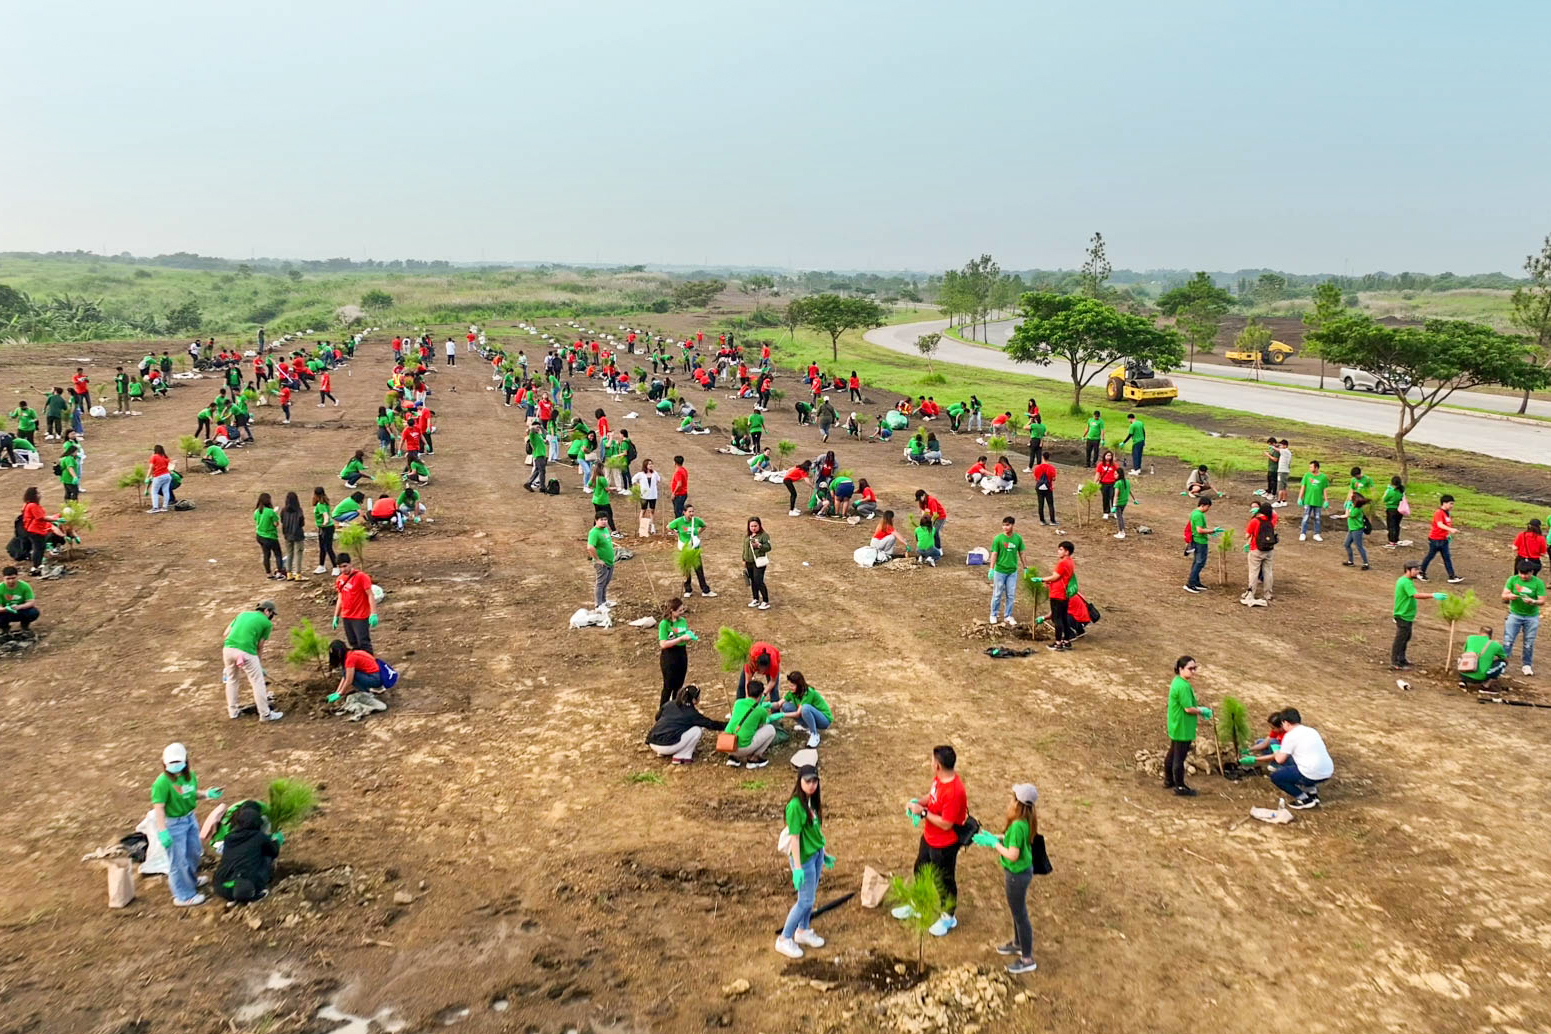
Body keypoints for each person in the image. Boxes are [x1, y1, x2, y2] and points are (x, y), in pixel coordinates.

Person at [894, 745, 968, 938]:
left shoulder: (954, 792)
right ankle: (918, 903)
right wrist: (919, 802)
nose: (930, 763)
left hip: (944, 845)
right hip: (929, 838)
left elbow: (946, 824)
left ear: (938, 766)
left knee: (943, 880)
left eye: (932, 761)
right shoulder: (940, 779)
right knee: (920, 868)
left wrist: (924, 813)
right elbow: (932, 795)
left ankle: (948, 916)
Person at [973, 783, 1040, 975]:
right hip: (1020, 873)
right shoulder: (1023, 821)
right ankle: (1018, 943)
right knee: (1016, 910)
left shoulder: (1018, 825)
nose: (1010, 802)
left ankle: (1027, 959)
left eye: (1013, 799)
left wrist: (994, 844)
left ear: (1018, 804)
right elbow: (1012, 840)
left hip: (1016, 876)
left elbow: (1012, 854)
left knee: (1020, 915)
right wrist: (994, 837)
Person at [151, 743, 222, 907]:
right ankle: (183, 895)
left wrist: (207, 794)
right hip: (173, 823)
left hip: (189, 819)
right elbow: (159, 808)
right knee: (178, 860)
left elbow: (191, 792)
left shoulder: (189, 775)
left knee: (194, 851)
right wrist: (163, 831)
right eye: (171, 763)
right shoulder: (161, 783)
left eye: (178, 762)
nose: (175, 766)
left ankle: (190, 880)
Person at [775, 765, 834, 959]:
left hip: (815, 855)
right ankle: (784, 939)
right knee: (804, 900)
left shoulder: (811, 803)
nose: (811, 785)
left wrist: (823, 852)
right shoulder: (795, 806)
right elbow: (795, 838)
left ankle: (803, 930)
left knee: (811, 897)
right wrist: (797, 868)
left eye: (814, 781)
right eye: (807, 781)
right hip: (804, 860)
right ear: (799, 781)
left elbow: (815, 831)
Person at [1241, 708, 1333, 809]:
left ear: (1285, 722)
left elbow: (1280, 760)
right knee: (1301, 764)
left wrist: (1274, 749)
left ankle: (1304, 799)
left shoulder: (1290, 736)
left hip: (1311, 773)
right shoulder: (1311, 731)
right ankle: (1312, 793)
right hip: (1327, 771)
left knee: (1277, 777)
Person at [222, 600, 282, 721]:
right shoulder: (267, 624)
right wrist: (259, 665)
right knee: (257, 682)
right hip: (246, 652)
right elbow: (260, 646)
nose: (271, 617)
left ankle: (233, 712)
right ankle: (265, 714)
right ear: (266, 611)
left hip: (228, 649)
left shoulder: (242, 614)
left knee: (232, 679)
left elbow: (226, 633)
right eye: (271, 614)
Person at [213, 801, 282, 903]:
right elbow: (274, 852)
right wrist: (276, 841)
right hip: (246, 888)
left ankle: (234, 897)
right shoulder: (259, 837)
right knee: (267, 857)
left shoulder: (229, 837)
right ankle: (256, 892)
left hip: (221, 887)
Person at [1165, 656, 1212, 797]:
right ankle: (1180, 786)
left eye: (1194, 668)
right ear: (1180, 669)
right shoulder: (1183, 686)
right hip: (1183, 726)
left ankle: (1169, 780)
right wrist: (1201, 711)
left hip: (1176, 724)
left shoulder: (1177, 681)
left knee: (1173, 752)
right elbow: (1188, 709)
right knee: (1179, 757)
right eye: (1190, 669)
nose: (1193, 671)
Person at [647, 684, 723, 764]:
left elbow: (657, 718)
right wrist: (729, 725)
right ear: (694, 699)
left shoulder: (669, 704)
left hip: (653, 743)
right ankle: (681, 756)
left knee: (679, 727)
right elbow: (710, 724)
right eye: (699, 696)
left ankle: (662, 752)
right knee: (697, 730)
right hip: (667, 746)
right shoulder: (691, 714)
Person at [1391, 561, 1444, 670]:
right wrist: (1432, 595)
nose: (1418, 572)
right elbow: (1415, 595)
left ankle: (1402, 659)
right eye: (1415, 570)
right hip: (1403, 615)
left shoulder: (1406, 581)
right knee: (1401, 639)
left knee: (1406, 638)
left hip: (1407, 615)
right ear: (1408, 570)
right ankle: (1396, 662)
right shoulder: (1405, 582)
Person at [1030, 541, 1077, 651]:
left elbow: (1055, 577)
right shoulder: (1070, 562)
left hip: (1057, 594)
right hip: (1064, 594)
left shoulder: (1062, 563)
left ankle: (1058, 643)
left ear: (1067, 551)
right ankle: (1067, 641)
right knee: (1064, 618)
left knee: (1057, 619)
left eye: (1061, 549)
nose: (1058, 551)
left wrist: (1041, 579)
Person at [1502, 559, 1544, 676]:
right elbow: (1504, 595)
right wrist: (1509, 596)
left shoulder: (1538, 583)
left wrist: (1533, 601)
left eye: (1526, 574)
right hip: (1515, 614)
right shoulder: (1513, 580)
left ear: (1531, 572)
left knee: (1529, 642)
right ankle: (1502, 664)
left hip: (1531, 616)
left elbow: (1542, 601)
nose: (1523, 576)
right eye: (1521, 573)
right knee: (1508, 640)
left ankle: (1527, 665)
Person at [723, 680, 778, 767]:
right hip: (742, 748)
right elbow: (761, 726)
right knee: (770, 729)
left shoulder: (738, 703)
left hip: (726, 744)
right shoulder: (761, 710)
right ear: (760, 695)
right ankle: (754, 758)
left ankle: (733, 757)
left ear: (747, 692)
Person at [332, 553, 379, 651]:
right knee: (353, 643)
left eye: (345, 566)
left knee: (364, 643)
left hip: (360, 616)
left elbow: (370, 594)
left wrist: (373, 613)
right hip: (346, 616)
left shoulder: (362, 577)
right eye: (340, 567)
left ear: (350, 564)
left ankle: (370, 664)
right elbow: (340, 597)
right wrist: (336, 615)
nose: (343, 569)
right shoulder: (339, 580)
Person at [779, 671, 833, 748]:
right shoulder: (792, 692)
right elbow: (779, 704)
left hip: (824, 720)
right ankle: (806, 726)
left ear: (799, 685)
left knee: (805, 708)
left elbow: (798, 713)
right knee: (785, 706)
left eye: (793, 685)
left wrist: (781, 715)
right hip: (812, 716)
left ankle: (814, 734)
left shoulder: (808, 692)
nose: (790, 687)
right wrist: (765, 705)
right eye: (789, 684)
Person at [657, 598, 696, 705]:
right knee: (668, 685)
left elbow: (684, 633)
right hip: (669, 656)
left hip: (681, 654)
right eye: (679, 610)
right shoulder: (664, 624)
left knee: (679, 685)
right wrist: (680, 639)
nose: (682, 612)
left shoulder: (682, 621)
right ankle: (663, 710)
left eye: (682, 610)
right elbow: (663, 644)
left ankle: (676, 707)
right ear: (672, 611)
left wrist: (689, 636)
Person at [989, 516, 1025, 626]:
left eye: (1008, 525)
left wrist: (1025, 567)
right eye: (1004, 525)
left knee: (1011, 594)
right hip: (1000, 570)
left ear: (1013, 525)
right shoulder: (998, 539)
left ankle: (1008, 615)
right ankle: (993, 614)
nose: (1005, 527)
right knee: (997, 593)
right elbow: (994, 553)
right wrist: (991, 568)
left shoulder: (1018, 539)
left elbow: (1022, 552)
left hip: (1012, 571)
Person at [1420, 494, 1464, 583]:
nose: (1452, 506)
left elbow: (1445, 525)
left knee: (1447, 558)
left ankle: (1452, 576)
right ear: (1444, 503)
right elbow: (1440, 524)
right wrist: (1451, 530)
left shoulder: (1446, 513)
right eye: (1450, 503)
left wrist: (1448, 534)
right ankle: (1421, 572)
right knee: (1430, 556)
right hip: (1435, 539)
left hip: (1443, 540)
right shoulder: (1439, 513)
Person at [1243, 502, 1277, 607]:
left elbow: (1247, 535)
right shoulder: (1271, 521)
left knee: (1254, 572)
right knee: (1268, 572)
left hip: (1256, 549)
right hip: (1269, 550)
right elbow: (1275, 514)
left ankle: (1251, 593)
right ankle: (1268, 594)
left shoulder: (1255, 521)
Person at [1183, 497, 1220, 594]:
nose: (1208, 509)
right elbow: (1199, 530)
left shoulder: (1195, 513)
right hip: (1200, 541)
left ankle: (1196, 582)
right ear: (1203, 505)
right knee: (1200, 562)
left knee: (1197, 562)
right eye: (1208, 507)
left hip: (1198, 540)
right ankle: (1190, 584)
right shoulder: (1198, 515)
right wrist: (1212, 530)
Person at [1458, 626, 1508, 691]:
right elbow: (1504, 659)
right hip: (1479, 678)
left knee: (1464, 657)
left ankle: (1463, 681)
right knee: (1502, 663)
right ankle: (1485, 686)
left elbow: (1464, 651)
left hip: (1463, 673)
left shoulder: (1470, 638)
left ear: (1479, 632)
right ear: (1491, 635)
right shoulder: (1495, 645)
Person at [254, 493, 288, 580]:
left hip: (260, 535)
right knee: (277, 554)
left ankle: (268, 573)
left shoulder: (257, 511)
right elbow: (276, 524)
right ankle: (280, 571)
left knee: (266, 555)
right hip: (270, 536)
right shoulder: (270, 512)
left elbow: (257, 521)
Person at [586, 514, 615, 611]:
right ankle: (598, 604)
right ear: (596, 520)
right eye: (601, 519)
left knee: (606, 582)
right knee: (600, 583)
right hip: (601, 563)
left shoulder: (605, 530)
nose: (604, 521)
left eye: (605, 519)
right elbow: (590, 547)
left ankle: (604, 601)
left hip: (610, 561)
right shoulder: (594, 532)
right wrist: (597, 559)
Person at [744, 516, 772, 609]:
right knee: (752, 581)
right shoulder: (747, 536)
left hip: (759, 562)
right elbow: (745, 549)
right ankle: (755, 598)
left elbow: (768, 547)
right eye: (751, 526)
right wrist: (743, 559)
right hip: (749, 562)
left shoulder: (764, 535)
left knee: (758, 580)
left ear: (759, 525)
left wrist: (759, 545)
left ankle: (765, 600)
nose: (753, 528)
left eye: (755, 526)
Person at [1298, 461, 1330, 542]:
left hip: (1318, 501)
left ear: (1316, 468)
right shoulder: (1307, 475)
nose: (1310, 468)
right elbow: (1303, 487)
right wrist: (1300, 498)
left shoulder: (1323, 477)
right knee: (1306, 517)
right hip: (1308, 500)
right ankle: (1303, 533)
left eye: (1311, 467)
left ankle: (1316, 534)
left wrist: (1326, 500)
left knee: (1317, 518)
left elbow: (1325, 489)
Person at [0, 566, 39, 633]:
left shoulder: (25, 586)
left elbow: (31, 602)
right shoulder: (0, 588)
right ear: (3, 578)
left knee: (33, 612)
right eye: (8, 579)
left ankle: (24, 626)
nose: (11, 581)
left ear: (17, 576)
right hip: (6, 612)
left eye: (13, 578)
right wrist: (5, 609)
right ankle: (5, 629)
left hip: (20, 610)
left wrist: (19, 607)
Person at [279, 492, 307, 581]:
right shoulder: (299, 510)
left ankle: (289, 573)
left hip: (287, 534)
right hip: (298, 535)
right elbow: (302, 523)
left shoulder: (283, 510)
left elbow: (282, 521)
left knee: (289, 553)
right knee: (298, 554)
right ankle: (298, 574)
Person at [312, 487, 338, 575]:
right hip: (323, 528)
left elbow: (325, 515)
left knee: (328, 547)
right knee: (322, 547)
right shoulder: (323, 502)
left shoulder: (321, 505)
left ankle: (335, 566)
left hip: (326, 528)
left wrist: (325, 522)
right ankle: (321, 566)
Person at [1342, 490, 1371, 569]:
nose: (1349, 496)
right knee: (1346, 544)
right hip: (1352, 529)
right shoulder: (1353, 506)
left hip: (1357, 530)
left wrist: (1347, 507)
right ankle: (1350, 561)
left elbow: (1348, 514)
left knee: (1359, 546)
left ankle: (1366, 563)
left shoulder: (1357, 509)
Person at [1095, 451, 1121, 520]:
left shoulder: (1114, 465)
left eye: (1110, 455)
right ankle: (1106, 512)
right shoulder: (1100, 465)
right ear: (1104, 456)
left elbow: (1119, 473)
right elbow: (1098, 474)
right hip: (1104, 483)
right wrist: (1095, 482)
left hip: (1113, 483)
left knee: (1113, 497)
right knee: (1105, 498)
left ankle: (1115, 512)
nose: (1108, 457)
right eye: (1107, 455)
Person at [147, 444, 173, 513]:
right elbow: (170, 466)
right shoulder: (165, 457)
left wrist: (147, 477)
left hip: (159, 476)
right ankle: (165, 507)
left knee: (154, 492)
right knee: (166, 491)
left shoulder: (154, 457)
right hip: (167, 476)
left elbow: (151, 468)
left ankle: (155, 508)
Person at [1033, 457, 1058, 525]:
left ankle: (1042, 520)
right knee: (1050, 504)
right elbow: (1053, 478)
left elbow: (1035, 478)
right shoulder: (1051, 468)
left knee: (1040, 504)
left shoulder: (1037, 467)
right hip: (1048, 488)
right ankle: (1052, 521)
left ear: (1042, 458)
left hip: (1039, 488)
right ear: (1048, 458)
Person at [1382, 475, 1406, 548]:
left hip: (1391, 509)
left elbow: (1384, 499)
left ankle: (1392, 541)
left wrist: (1387, 491)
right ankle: (1396, 539)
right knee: (1396, 525)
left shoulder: (1390, 491)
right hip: (1399, 510)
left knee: (1391, 526)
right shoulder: (1402, 490)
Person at [1111, 467, 1135, 539]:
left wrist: (1114, 505)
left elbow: (1115, 495)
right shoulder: (1127, 482)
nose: (1114, 475)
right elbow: (1129, 491)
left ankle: (1122, 532)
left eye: (1115, 474)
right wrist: (1134, 499)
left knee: (1119, 518)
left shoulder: (1118, 483)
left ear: (1119, 475)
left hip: (1119, 503)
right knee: (1120, 516)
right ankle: (1121, 531)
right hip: (1125, 502)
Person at [669, 455, 689, 519]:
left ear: (675, 463)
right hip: (683, 493)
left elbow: (679, 484)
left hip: (679, 494)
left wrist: (674, 493)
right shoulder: (684, 470)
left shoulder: (678, 472)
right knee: (681, 510)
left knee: (678, 512)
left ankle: (679, 526)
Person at [1274, 439, 1292, 507]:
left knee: (1280, 487)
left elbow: (1276, 449)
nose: (1280, 446)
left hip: (1282, 471)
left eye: (1281, 445)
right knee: (1284, 487)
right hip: (1285, 471)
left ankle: (1279, 501)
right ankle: (1284, 501)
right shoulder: (1288, 452)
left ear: (1285, 445)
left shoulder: (1285, 451)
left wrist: (1273, 446)